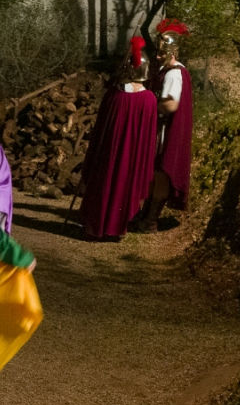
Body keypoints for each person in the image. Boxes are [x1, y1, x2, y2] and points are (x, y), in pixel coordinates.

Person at [79, 39, 159, 240]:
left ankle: (94, 228)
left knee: (104, 181)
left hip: (109, 151)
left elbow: (101, 129)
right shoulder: (148, 100)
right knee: (124, 182)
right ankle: (116, 230)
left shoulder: (115, 95)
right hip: (131, 155)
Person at [137, 19, 193, 232]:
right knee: (154, 175)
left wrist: (149, 105)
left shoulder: (173, 74)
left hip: (164, 132)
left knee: (160, 175)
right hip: (160, 130)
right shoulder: (169, 70)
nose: (158, 56)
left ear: (173, 52)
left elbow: (170, 104)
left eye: (162, 53)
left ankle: (150, 220)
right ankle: (145, 216)